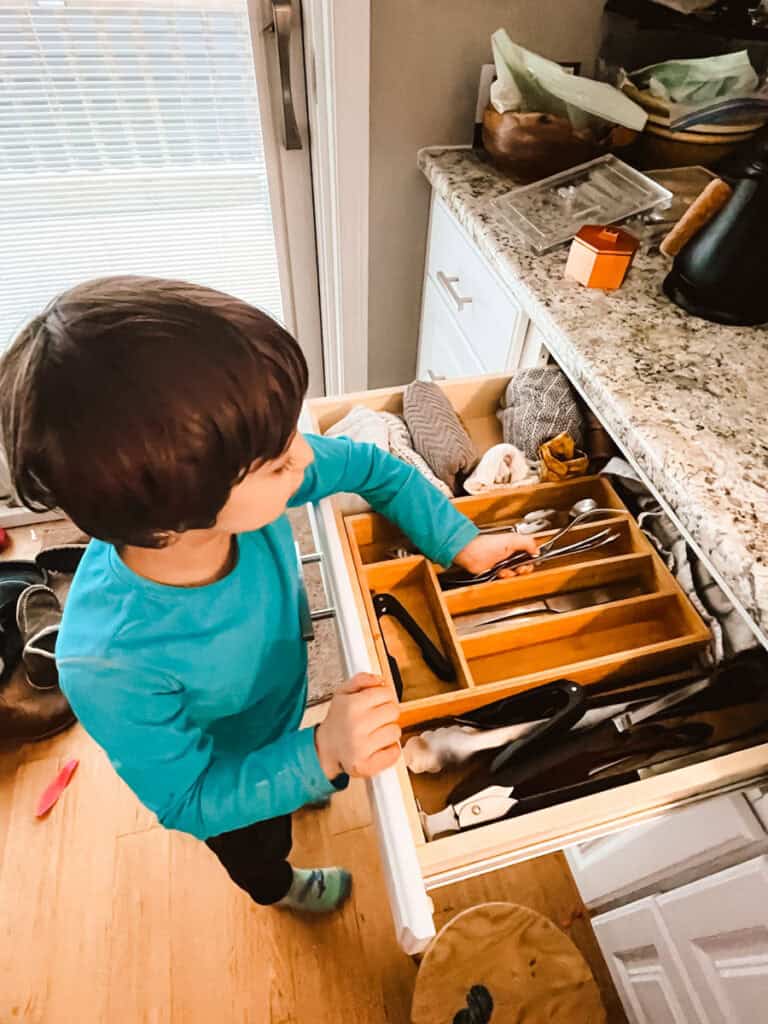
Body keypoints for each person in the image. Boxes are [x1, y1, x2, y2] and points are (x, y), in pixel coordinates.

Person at [0, 277, 537, 914]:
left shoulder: (236, 492)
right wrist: (323, 753)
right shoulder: (107, 662)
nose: (303, 456)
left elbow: (376, 467)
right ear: (178, 516)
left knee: (297, 767)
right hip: (222, 770)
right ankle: (278, 889)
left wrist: (462, 544)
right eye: (278, 459)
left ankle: (300, 772)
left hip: (275, 709)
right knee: (257, 842)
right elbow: (189, 799)